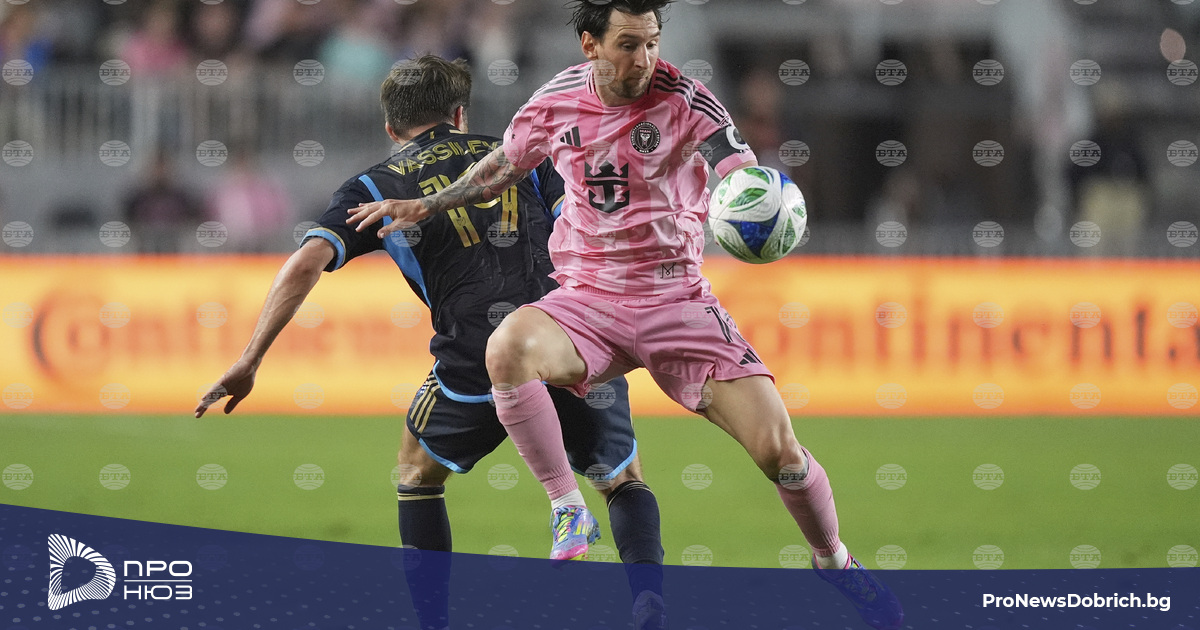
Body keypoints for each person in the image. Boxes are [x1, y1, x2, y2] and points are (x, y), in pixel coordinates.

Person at [345, 3, 902, 629]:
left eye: (652, 43)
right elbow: (502, 166)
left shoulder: (688, 101)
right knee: (506, 348)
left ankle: (833, 560)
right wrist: (429, 204)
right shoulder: (554, 102)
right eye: (629, 44)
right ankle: (567, 506)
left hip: (677, 302)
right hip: (587, 301)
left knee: (784, 458)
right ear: (590, 44)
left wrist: (754, 200)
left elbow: (734, 167)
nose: (645, 59)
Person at [197, 54, 667, 630]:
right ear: (460, 114)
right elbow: (596, 219)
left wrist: (250, 359)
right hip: (567, 337)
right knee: (622, 478)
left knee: (416, 474)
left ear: (391, 128)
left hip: (475, 358)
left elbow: (305, 263)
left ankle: (432, 621)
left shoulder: (375, 187)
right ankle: (649, 599)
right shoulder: (524, 153)